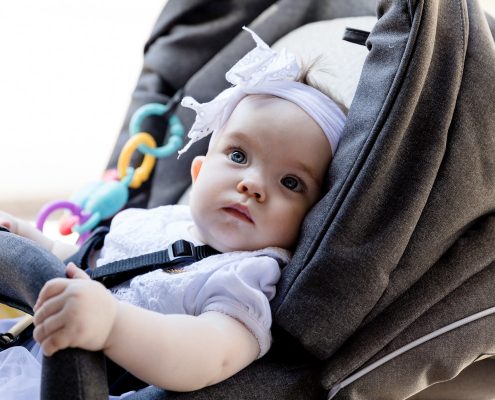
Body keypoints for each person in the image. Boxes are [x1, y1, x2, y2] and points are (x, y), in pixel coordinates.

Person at [0, 28, 346, 396]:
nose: (253, 184)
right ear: (198, 173)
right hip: (32, 358)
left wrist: (113, 325)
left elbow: (208, 354)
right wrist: (25, 238)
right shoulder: (160, 221)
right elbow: (86, 265)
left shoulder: (246, 276)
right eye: (238, 156)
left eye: (291, 183)